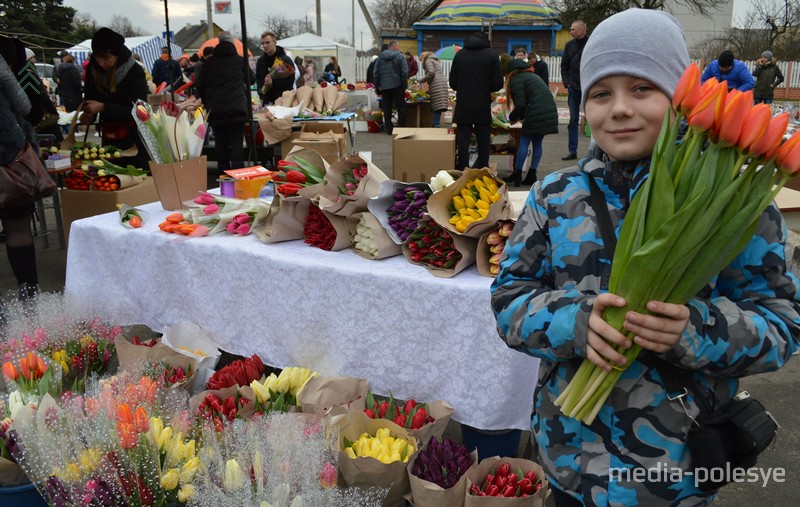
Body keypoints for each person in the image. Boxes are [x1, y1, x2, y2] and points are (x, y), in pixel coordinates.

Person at [491, 8, 800, 506]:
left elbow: (784, 325)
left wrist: (696, 329)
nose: (619, 109)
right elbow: (508, 300)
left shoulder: (735, 205)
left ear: (683, 98)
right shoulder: (556, 193)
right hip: (569, 464)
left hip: (676, 477)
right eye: (600, 93)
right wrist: (575, 322)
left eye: (642, 89)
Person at [0, 36, 45, 301]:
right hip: (10, 157)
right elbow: (27, 106)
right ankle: (29, 294)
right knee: (18, 228)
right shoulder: (9, 62)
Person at [81, 27, 149, 169]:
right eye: (97, 57)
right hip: (109, 140)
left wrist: (103, 107)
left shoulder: (134, 72)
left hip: (134, 141)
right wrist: (89, 115)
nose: (100, 63)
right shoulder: (93, 71)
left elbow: (139, 111)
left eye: (105, 58)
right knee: (110, 178)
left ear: (117, 55)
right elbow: (89, 98)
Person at [448, 31, 503, 170]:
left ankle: (462, 172)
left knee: (463, 142)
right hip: (482, 103)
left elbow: (453, 83)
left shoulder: (460, 55)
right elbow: (498, 84)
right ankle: (483, 171)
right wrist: (485, 87)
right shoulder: (492, 55)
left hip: (464, 104)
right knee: (484, 142)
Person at [196, 31, 249, 173]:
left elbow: (199, 85)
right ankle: (238, 172)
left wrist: (208, 102)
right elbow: (252, 79)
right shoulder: (240, 61)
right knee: (237, 142)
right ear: (232, 43)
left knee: (220, 142)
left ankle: (223, 173)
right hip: (237, 108)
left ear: (218, 44)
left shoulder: (209, 63)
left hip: (216, 109)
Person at [500, 58, 557, 187]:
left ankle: (517, 174)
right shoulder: (532, 76)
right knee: (537, 143)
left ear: (511, 72)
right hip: (548, 110)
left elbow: (521, 104)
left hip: (536, 111)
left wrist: (511, 118)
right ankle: (531, 174)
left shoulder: (516, 79)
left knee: (524, 141)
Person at [560, 19, 588, 161]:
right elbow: (564, 66)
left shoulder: (592, 43)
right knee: (573, 120)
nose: (570, 32)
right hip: (573, 88)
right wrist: (567, 84)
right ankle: (572, 150)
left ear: (582, 30)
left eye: (573, 29)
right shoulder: (569, 46)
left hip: (589, 86)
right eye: (570, 29)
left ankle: (596, 151)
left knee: (595, 118)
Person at [373, 40, 408, 136]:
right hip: (397, 86)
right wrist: (404, 84)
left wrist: (377, 86)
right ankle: (401, 129)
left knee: (387, 109)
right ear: (395, 46)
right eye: (398, 46)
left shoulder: (380, 58)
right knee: (401, 108)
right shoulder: (400, 57)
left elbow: (376, 73)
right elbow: (404, 72)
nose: (399, 48)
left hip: (385, 87)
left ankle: (389, 129)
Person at [256, 31, 295, 105]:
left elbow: (290, 83)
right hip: (266, 102)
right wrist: (261, 92)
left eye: (267, 43)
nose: (265, 45)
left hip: (283, 101)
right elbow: (258, 79)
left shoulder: (285, 60)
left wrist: (273, 83)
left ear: (274, 42)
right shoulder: (261, 61)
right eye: (263, 43)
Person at [418, 51, 448, 128]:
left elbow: (431, 72)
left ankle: (436, 124)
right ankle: (436, 123)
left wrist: (421, 80)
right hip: (441, 82)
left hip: (437, 83)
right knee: (439, 105)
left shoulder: (428, 60)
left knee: (437, 105)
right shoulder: (435, 60)